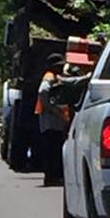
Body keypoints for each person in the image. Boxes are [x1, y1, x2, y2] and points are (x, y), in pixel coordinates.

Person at [36, 53, 71, 187]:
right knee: (53, 151)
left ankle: (52, 176)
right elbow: (43, 93)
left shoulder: (55, 77)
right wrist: (54, 109)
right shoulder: (49, 77)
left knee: (54, 150)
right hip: (51, 122)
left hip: (54, 122)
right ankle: (51, 177)